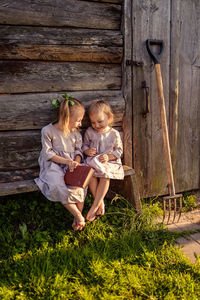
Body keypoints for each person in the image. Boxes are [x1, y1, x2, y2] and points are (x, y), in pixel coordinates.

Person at [35, 96, 86, 230]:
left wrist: (76, 162)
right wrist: (66, 161)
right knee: (58, 184)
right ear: (67, 118)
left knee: (79, 186)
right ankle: (79, 216)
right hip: (53, 165)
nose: (80, 124)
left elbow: (78, 151)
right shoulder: (48, 131)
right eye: (78, 121)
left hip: (72, 164)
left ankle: (77, 219)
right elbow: (48, 154)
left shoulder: (75, 133)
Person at [83, 100, 124, 221]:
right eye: (93, 122)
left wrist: (109, 156)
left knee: (105, 175)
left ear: (109, 118)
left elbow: (119, 151)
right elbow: (84, 145)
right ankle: (100, 203)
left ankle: (94, 206)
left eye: (100, 121)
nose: (96, 125)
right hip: (93, 160)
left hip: (109, 162)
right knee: (90, 174)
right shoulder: (90, 131)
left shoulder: (114, 134)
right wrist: (87, 151)